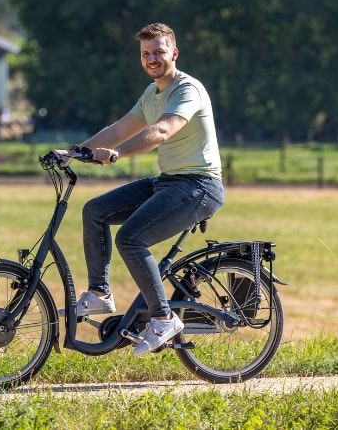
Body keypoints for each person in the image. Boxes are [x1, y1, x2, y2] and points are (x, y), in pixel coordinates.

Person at [58, 23, 225, 356]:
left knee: (131, 239)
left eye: (159, 52)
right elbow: (120, 128)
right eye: (146, 54)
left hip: (199, 185)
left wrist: (118, 153)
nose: (152, 59)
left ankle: (163, 318)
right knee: (95, 211)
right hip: (169, 182)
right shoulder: (152, 93)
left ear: (173, 53)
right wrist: (74, 152)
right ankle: (100, 293)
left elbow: (163, 130)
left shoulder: (186, 89)